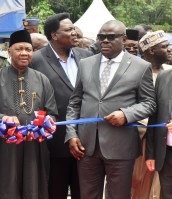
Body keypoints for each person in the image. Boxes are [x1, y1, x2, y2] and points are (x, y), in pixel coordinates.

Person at [65, 20, 156, 199]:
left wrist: (126, 114)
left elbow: (149, 103)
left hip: (120, 146)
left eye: (111, 37)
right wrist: (71, 134)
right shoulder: (86, 63)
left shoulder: (140, 66)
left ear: (123, 39)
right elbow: (75, 102)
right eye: (101, 37)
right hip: (86, 146)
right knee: (88, 195)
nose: (104, 41)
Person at [0, 30, 58, 199]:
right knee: (5, 189)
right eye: (19, 49)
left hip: (34, 148)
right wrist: (2, 119)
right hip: (4, 150)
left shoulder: (42, 80)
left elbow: (52, 113)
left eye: (28, 49)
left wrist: (41, 125)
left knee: (33, 188)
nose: (24, 53)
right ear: (9, 51)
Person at [31, 13, 93, 199]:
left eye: (74, 28)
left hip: (87, 138)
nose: (74, 33)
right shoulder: (36, 60)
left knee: (83, 190)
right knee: (55, 190)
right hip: (55, 141)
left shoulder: (86, 56)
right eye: (68, 30)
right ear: (54, 35)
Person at [143, 31, 172, 199]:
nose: (169, 50)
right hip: (166, 153)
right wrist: (151, 154)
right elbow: (155, 116)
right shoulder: (164, 77)